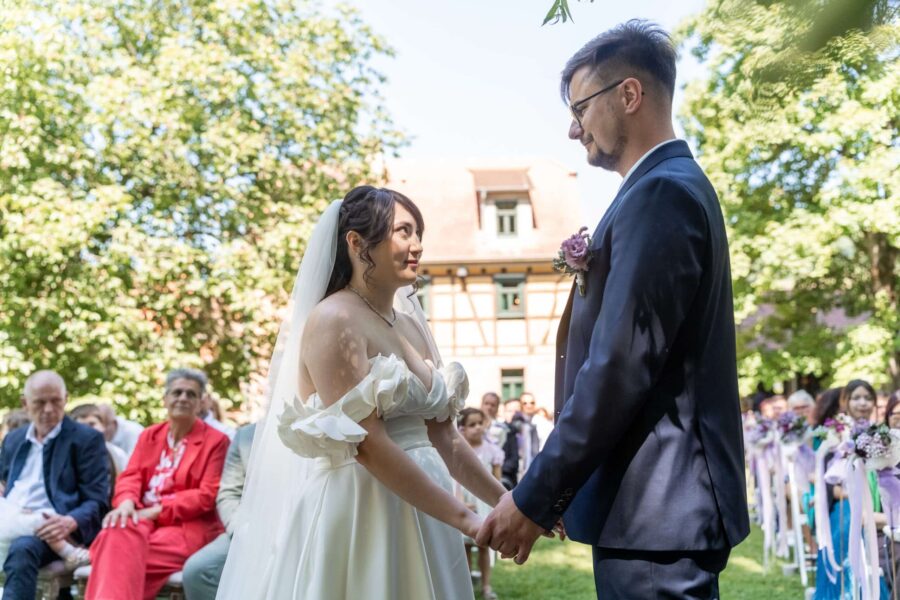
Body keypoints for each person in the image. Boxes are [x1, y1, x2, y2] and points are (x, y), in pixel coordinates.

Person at [477, 20, 750, 597]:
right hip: (648, 513)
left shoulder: (662, 195)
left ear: (629, 95)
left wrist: (535, 495)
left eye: (581, 108)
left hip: (659, 513)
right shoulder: (660, 189)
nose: (573, 129)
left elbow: (619, 365)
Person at [217, 187, 508, 599]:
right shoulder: (333, 319)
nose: (417, 245)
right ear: (356, 242)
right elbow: (368, 444)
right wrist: (468, 521)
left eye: (418, 233)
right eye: (404, 232)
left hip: (426, 509)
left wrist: (509, 504)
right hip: (363, 511)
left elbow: (445, 436)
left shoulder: (409, 325)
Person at [85, 368, 230, 600]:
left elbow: (206, 495)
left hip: (186, 527)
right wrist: (126, 504)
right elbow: (130, 476)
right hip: (141, 521)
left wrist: (154, 512)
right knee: (116, 532)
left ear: (201, 403)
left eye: (191, 394)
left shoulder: (217, 441)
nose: (183, 398)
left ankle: (97, 555)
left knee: (111, 554)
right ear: (165, 399)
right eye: (177, 392)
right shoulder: (149, 435)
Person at [0, 371, 110, 599]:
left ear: (66, 399)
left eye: (55, 401)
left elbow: (98, 500)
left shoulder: (86, 439)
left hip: (56, 529)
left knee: (22, 549)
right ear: (25, 403)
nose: (48, 409)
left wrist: (70, 521)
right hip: (12, 519)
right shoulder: (14, 439)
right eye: (40, 402)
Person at [181, 423, 255, 600]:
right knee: (198, 571)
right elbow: (229, 493)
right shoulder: (245, 436)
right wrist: (241, 530)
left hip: (300, 527)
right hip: (248, 528)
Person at [455, 408, 504, 600]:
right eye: (471, 425)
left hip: (484, 504)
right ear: (462, 429)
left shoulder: (493, 451)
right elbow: (455, 478)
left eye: (479, 423)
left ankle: (486, 586)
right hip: (465, 501)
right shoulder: (458, 451)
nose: (477, 428)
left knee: (484, 545)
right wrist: (459, 501)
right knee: (465, 547)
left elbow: (497, 480)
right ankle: (466, 586)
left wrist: (498, 504)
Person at [70, 403, 130, 474]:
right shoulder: (66, 456)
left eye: (92, 424)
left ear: (103, 426)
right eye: (82, 426)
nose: (88, 430)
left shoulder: (118, 455)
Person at [481, 393, 519, 490]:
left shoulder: (507, 430)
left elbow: (514, 460)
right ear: (481, 405)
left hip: (502, 479)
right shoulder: (471, 427)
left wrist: (495, 470)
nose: (489, 407)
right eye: (486, 404)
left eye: (493, 405)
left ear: (497, 408)